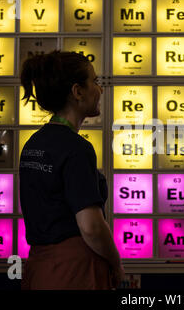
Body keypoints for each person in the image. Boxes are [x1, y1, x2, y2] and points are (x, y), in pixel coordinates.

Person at [19, 50, 124, 290]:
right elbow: (91, 227)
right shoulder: (77, 148)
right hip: (75, 272)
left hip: (39, 270)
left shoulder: (33, 144)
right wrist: (116, 264)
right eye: (95, 82)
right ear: (78, 92)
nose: (100, 89)